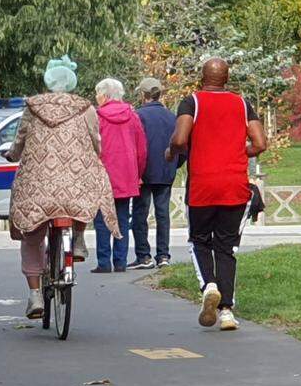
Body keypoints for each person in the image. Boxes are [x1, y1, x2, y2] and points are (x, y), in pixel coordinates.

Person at [7, 56, 117, 318]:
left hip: (38, 183)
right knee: (82, 192)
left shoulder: (32, 108)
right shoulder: (86, 108)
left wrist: (12, 155)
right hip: (73, 182)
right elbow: (95, 141)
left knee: (32, 234)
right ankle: (77, 239)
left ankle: (35, 296)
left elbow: (20, 141)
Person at [168, 58, 268, 331]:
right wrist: (237, 152)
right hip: (235, 185)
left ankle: (209, 285)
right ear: (227, 78)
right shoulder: (241, 103)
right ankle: (226, 312)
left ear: (202, 77)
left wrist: (171, 151)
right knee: (227, 247)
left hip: (202, 185)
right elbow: (260, 143)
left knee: (199, 240)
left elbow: (179, 139)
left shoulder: (192, 102)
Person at [92, 78, 147, 274]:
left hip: (103, 174)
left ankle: (104, 261)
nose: (96, 97)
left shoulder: (97, 117)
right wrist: (137, 174)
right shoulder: (132, 116)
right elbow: (142, 149)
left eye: (98, 93)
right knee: (122, 217)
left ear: (105, 95)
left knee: (101, 220)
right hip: (126, 174)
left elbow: (92, 147)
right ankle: (121, 261)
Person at [130, 77, 177, 270]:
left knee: (140, 213)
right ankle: (163, 255)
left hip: (144, 171)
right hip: (166, 169)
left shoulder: (138, 116)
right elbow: (180, 144)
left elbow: (134, 145)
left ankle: (143, 255)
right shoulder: (171, 117)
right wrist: (174, 164)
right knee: (162, 213)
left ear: (143, 95)